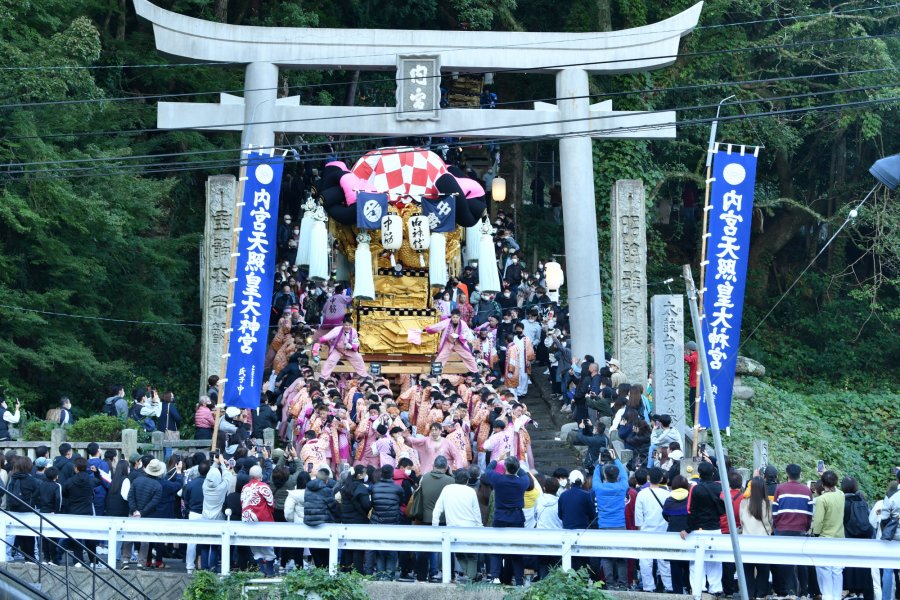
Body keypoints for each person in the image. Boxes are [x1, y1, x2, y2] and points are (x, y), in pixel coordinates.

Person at [482, 456, 534, 586]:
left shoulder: (498, 480)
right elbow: (525, 475)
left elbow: (488, 470)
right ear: (516, 469)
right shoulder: (522, 482)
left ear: (505, 467)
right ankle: (519, 580)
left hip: (500, 516)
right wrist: (517, 465)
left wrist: (497, 459)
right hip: (517, 517)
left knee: (497, 547)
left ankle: (495, 577)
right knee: (516, 549)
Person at [680, 461, 726, 596]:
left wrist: (687, 529)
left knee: (696, 562)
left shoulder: (696, 489)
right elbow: (723, 509)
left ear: (699, 474)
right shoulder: (719, 488)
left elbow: (691, 511)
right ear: (712, 473)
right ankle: (716, 588)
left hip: (699, 530)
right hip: (716, 528)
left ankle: (698, 588)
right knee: (715, 560)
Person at [431, 469, 482, 582]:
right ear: (467, 480)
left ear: (455, 478)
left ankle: (471, 574)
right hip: (470, 528)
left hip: (452, 529)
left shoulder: (447, 489)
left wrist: (435, 525)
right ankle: (472, 575)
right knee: (472, 556)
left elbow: (437, 509)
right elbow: (476, 512)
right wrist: (480, 526)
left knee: (459, 554)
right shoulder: (471, 491)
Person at [772, 463, 814, 597]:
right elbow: (810, 514)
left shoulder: (780, 489)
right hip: (800, 530)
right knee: (801, 560)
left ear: (787, 474)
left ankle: (786, 591)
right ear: (800, 475)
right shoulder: (807, 491)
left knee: (784, 560)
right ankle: (803, 591)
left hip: (782, 529)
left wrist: (778, 525)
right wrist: (805, 527)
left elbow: (775, 512)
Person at [593, 449, 629, 588]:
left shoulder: (599, 488)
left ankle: (610, 583)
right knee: (621, 557)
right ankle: (623, 584)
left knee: (607, 557)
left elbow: (596, 477)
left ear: (605, 476)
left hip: (604, 526)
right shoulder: (622, 487)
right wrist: (616, 460)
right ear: (617, 476)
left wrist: (600, 464)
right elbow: (625, 475)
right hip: (620, 525)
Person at [416, 455, 454, 582]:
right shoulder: (450, 481)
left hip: (426, 517)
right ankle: (445, 573)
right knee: (447, 547)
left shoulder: (424, 478)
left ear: (433, 465)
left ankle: (422, 574)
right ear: (446, 467)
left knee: (425, 546)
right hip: (444, 518)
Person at [635, 467, 672, 592]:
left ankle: (648, 586)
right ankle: (669, 586)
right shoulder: (667, 494)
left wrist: (640, 529)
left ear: (648, 478)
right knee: (664, 560)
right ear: (662, 479)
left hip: (646, 532)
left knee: (645, 560)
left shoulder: (641, 494)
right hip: (663, 531)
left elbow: (638, 518)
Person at [62, 457, 103, 566]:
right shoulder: (90, 480)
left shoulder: (70, 482)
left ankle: (78, 560)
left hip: (73, 512)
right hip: (87, 511)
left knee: (76, 537)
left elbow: (64, 493)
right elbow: (99, 481)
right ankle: (93, 560)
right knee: (90, 537)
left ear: (75, 468)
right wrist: (97, 472)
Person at [812, 471, 845, 600]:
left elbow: (818, 521)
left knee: (824, 569)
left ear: (823, 483)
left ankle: (827, 596)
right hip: (839, 537)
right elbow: (835, 489)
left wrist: (815, 533)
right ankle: (837, 596)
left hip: (825, 538)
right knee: (837, 570)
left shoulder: (822, 499)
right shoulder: (841, 495)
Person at [739, 476, 773, 598]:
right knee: (763, 571)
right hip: (763, 543)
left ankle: (749, 594)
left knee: (747, 571)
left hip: (746, 542)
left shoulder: (744, 503)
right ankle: (761, 594)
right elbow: (770, 521)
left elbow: (741, 522)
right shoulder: (769, 504)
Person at [128, 459, 164, 570]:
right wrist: (141, 512)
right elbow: (154, 502)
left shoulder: (137, 480)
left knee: (128, 537)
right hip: (147, 515)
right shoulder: (158, 486)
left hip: (133, 514)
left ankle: (125, 560)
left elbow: (130, 496)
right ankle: (141, 562)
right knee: (145, 540)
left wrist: (134, 510)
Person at [557, 469, 596, 574]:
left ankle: (569, 578)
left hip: (567, 530)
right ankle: (582, 578)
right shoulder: (586, 495)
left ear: (570, 481)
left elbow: (560, 515)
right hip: (582, 530)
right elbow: (592, 514)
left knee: (569, 557)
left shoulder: (563, 495)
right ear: (582, 481)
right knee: (582, 557)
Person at [841, 477, 874, 600]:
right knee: (863, 568)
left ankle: (850, 592)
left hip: (848, 538)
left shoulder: (843, 502)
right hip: (863, 539)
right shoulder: (862, 502)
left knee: (849, 567)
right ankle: (863, 593)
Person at [241, 465, 277, 577]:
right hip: (263, 520)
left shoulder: (244, 487)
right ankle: (270, 572)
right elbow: (271, 504)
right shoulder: (264, 487)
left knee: (255, 548)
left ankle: (261, 572)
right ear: (261, 476)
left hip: (248, 520)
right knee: (268, 547)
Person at [303, 467, 339, 568]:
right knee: (326, 555)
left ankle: (319, 573)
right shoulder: (326, 490)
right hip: (324, 525)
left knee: (316, 552)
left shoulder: (307, 488)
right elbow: (333, 507)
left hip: (309, 524)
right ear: (326, 479)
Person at [425, 309, 478, 374]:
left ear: (459, 317)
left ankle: (475, 372)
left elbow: (467, 334)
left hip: (459, 343)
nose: (455, 319)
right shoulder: (446, 322)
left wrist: (458, 336)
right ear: (451, 317)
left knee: (469, 357)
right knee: (441, 357)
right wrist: (427, 329)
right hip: (448, 342)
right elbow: (437, 326)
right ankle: (434, 373)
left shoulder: (463, 324)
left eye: (457, 317)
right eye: (453, 317)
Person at [663, 475, 691, 594]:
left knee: (674, 564)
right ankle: (688, 587)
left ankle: (677, 591)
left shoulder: (669, 500)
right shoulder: (690, 499)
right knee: (689, 563)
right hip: (688, 533)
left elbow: (665, 515)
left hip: (672, 532)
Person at [318, 314, 367, 378]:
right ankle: (323, 377)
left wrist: (352, 346)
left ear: (351, 325)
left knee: (358, 358)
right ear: (343, 324)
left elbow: (356, 342)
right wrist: (319, 341)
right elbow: (327, 337)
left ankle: (363, 375)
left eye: (349, 325)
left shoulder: (354, 331)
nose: (348, 327)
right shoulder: (337, 330)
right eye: (346, 325)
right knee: (330, 361)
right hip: (338, 350)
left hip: (349, 350)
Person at [683, 342, 699, 422]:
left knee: (693, 406)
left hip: (695, 385)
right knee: (696, 405)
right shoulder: (698, 355)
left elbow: (689, 359)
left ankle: (695, 424)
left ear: (689, 350)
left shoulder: (695, 356)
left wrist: (681, 354)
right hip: (697, 384)